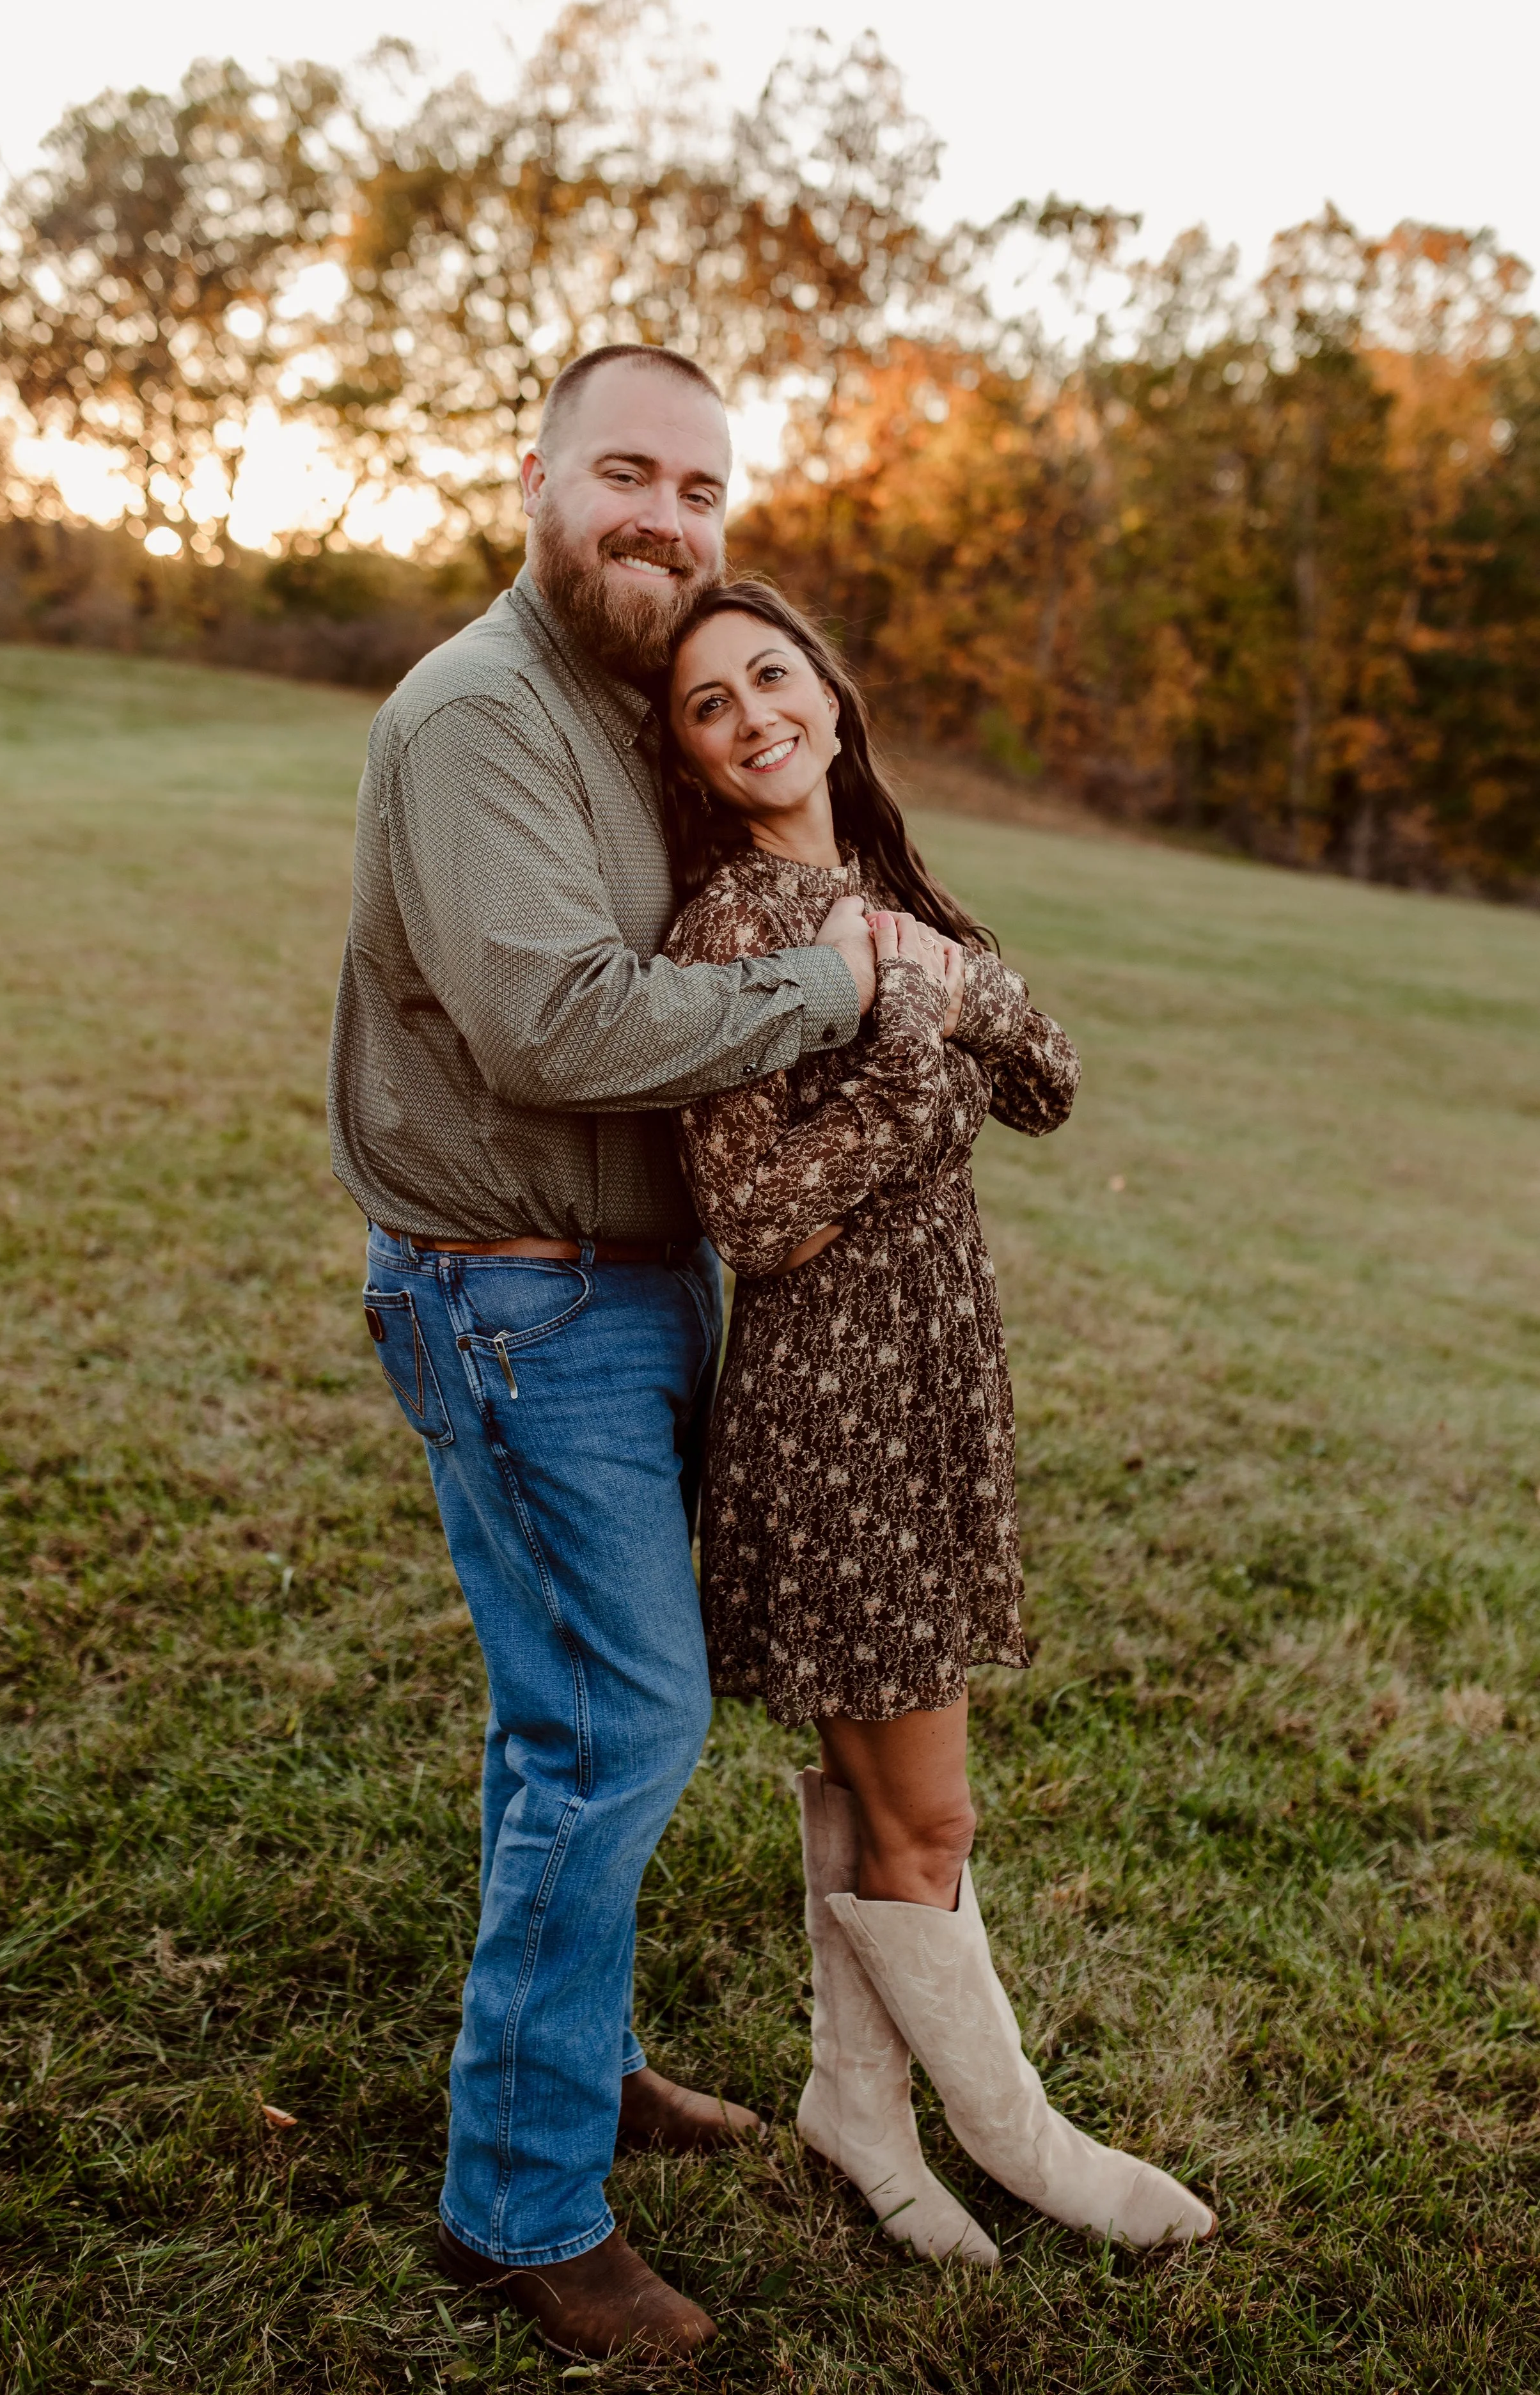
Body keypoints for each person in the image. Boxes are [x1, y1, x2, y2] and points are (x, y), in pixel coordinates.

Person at [326, 349, 887, 2362]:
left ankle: (578, 2060)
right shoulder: (481, 713)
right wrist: (823, 998)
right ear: (541, 478)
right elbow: (551, 1025)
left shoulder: (609, 695)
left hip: (626, 1284)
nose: (669, 518)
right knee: (619, 1730)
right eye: (630, 476)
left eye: (704, 491)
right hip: (517, 1294)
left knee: (563, 1718)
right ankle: (519, 2203)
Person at [661, 581, 1217, 2264]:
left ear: (828, 691)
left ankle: (858, 2107)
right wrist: (910, 1031)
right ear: (688, 754)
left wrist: (931, 975)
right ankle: (1015, 2132)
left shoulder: (895, 892)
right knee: (927, 1812)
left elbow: (1046, 1076)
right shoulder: (725, 933)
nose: (753, 712)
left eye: (773, 674)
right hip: (831, 1414)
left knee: (861, 1784)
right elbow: (759, 1216)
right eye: (707, 703)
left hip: (935, 1388)